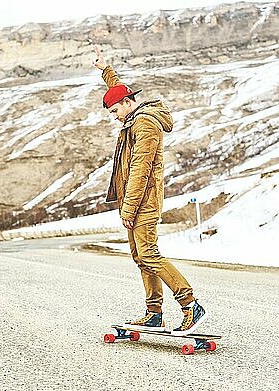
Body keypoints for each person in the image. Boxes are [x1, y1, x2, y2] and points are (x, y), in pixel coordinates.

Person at [92, 46, 207, 335]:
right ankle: (154, 312)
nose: (115, 116)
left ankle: (190, 304)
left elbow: (140, 171)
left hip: (143, 201)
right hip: (134, 202)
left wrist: (128, 210)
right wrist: (106, 71)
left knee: (150, 253)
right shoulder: (133, 117)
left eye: (116, 110)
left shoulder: (144, 124)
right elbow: (119, 90)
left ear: (128, 103)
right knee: (140, 256)